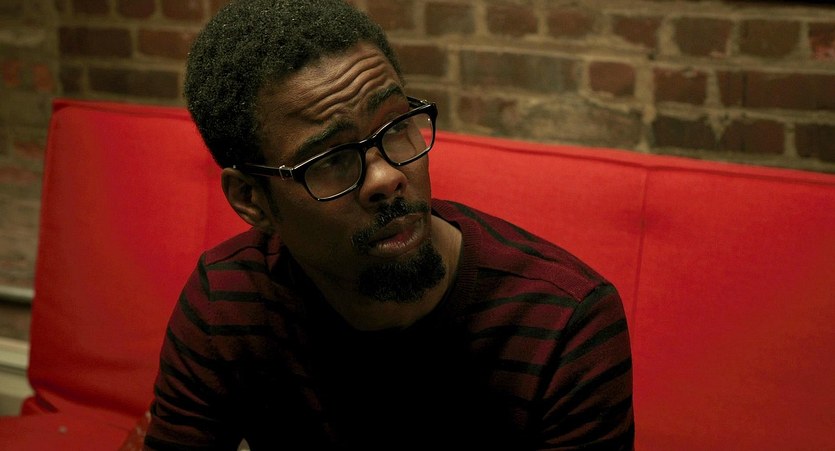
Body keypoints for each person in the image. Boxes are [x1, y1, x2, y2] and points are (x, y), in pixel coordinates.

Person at [144, 0, 634, 449]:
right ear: (252, 200)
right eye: (331, 159)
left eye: (397, 126)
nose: (386, 178)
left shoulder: (564, 324)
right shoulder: (227, 302)